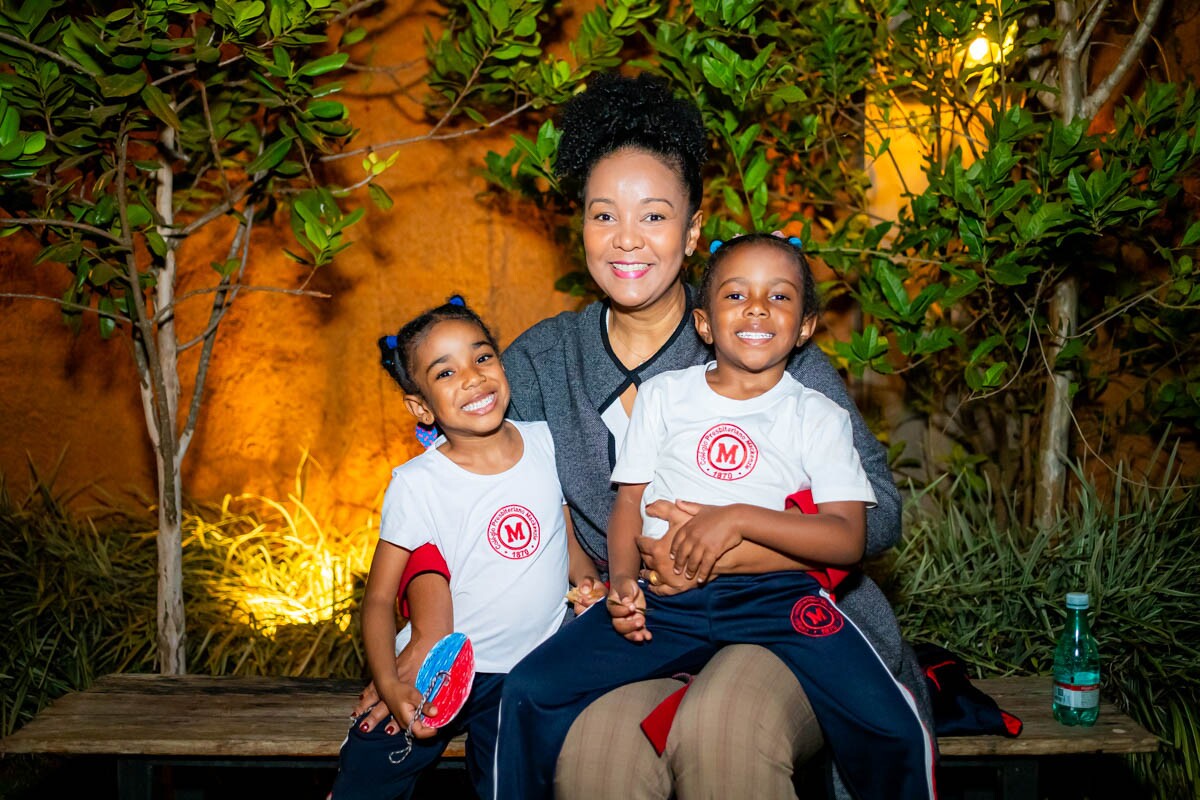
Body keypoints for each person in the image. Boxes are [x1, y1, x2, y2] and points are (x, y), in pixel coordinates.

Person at [355, 73, 929, 799]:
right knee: (596, 760)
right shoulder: (538, 363)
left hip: (792, 622)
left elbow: (880, 513)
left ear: (691, 232)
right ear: (582, 228)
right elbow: (455, 499)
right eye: (604, 215)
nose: (627, 239)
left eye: (654, 217)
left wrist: (727, 544)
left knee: (722, 731)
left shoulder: (758, 338)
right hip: (641, 626)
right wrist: (423, 646)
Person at [493, 234, 936, 800]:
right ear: (704, 323)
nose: (756, 308)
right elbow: (628, 501)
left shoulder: (816, 414)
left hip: (778, 600)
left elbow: (848, 538)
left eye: (779, 297)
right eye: (736, 295)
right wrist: (624, 583)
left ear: (804, 327)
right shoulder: (664, 397)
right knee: (529, 688)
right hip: (664, 602)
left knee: (889, 723)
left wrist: (740, 519)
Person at [330, 297, 603, 800]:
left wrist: (585, 581)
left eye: (482, 358)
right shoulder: (417, 484)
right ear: (421, 407)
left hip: (524, 675)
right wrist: (390, 685)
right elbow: (377, 599)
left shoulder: (543, 443)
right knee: (369, 777)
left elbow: (563, 537)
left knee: (512, 788)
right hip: (437, 671)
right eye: (446, 372)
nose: (473, 378)